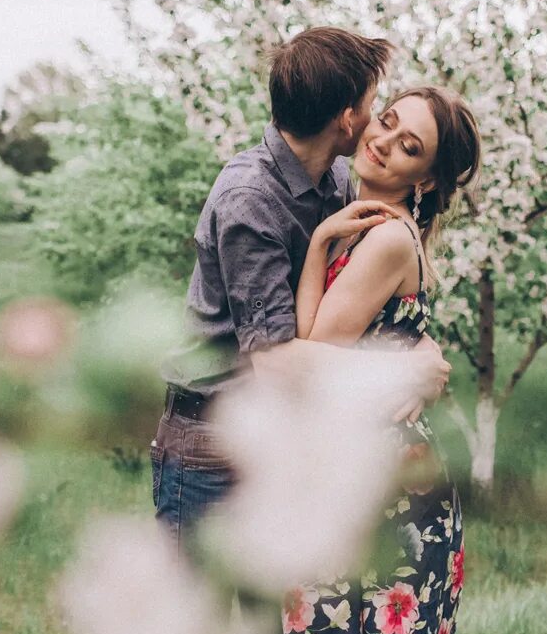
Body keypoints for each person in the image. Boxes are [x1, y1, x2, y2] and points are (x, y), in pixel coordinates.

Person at [152, 28, 451, 554]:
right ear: (346, 119)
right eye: (374, 105)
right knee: (194, 623)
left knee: (277, 633)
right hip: (210, 441)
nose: (377, 120)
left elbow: (375, 298)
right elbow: (275, 362)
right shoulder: (250, 200)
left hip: (279, 436)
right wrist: (402, 368)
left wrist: (419, 344)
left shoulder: (337, 176)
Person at [281, 86, 481, 634]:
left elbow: (312, 356)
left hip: (379, 482)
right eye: (387, 122)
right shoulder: (358, 220)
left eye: (410, 146)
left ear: (424, 179)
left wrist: (317, 245)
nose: (385, 142)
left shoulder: (387, 238)